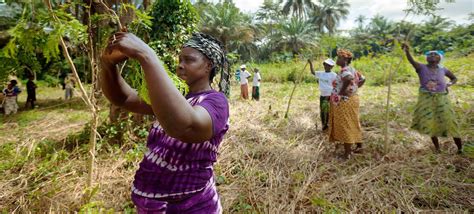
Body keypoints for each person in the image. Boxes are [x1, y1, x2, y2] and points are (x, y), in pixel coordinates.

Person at [100, 31, 230, 213]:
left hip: (193, 205)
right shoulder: (174, 97)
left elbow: (186, 127)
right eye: (180, 60)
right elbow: (124, 98)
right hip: (151, 205)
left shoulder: (216, 102)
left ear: (208, 66)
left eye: (189, 60)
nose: (180, 66)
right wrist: (107, 64)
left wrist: (147, 55)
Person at [402, 44, 462, 154]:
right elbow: (411, 61)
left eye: (435, 54)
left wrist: (448, 84)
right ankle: (437, 148)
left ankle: (460, 149)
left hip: (442, 99)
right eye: (429, 54)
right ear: (426, 58)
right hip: (427, 99)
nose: (432, 55)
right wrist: (407, 51)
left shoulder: (443, 69)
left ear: (440, 58)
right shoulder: (421, 68)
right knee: (431, 123)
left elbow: (454, 78)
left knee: (450, 122)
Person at [328, 49, 366, 159]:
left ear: (345, 59)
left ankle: (347, 153)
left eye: (339, 58)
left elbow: (348, 78)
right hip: (353, 99)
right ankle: (359, 147)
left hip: (344, 101)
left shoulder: (345, 70)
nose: (337, 60)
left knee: (346, 125)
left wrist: (342, 92)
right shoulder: (353, 69)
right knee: (353, 122)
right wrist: (354, 88)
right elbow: (363, 79)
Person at [308, 58, 337, 131]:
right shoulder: (321, 74)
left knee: (328, 110)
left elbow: (336, 85)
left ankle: (328, 124)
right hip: (322, 95)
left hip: (330, 96)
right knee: (322, 110)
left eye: (328, 65)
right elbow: (312, 72)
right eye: (325, 65)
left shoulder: (333, 75)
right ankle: (324, 124)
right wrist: (310, 64)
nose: (326, 66)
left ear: (331, 67)